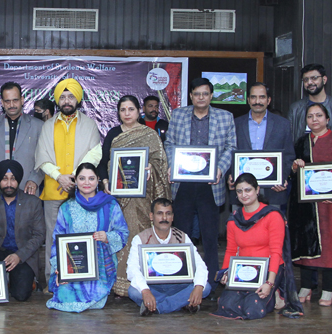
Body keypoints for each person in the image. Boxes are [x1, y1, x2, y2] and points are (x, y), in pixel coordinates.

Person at [164, 77, 236, 295]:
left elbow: (231, 147)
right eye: (197, 94)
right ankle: (182, 284)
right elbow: (169, 143)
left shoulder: (225, 117)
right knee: (182, 238)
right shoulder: (178, 115)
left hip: (210, 186)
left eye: (205, 94)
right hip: (183, 185)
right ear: (191, 96)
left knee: (210, 239)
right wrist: (173, 165)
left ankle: (212, 285)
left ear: (211, 95)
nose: (201, 97)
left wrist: (220, 169)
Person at [98, 95, 171, 297]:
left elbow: (161, 163)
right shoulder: (114, 134)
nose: (127, 113)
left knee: (139, 234)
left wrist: (151, 168)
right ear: (118, 113)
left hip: (142, 197)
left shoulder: (149, 134)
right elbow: (104, 162)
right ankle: (119, 284)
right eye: (123, 110)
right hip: (118, 198)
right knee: (120, 235)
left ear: (138, 111)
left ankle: (143, 283)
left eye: (131, 109)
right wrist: (105, 181)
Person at [35, 78, 102, 281]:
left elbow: (95, 153)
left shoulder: (89, 125)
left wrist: (73, 177)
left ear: (78, 99)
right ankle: (52, 279)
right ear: (57, 100)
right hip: (54, 190)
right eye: (62, 97)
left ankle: (81, 277)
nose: (66, 100)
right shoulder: (48, 125)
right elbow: (41, 156)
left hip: (82, 190)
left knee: (81, 234)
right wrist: (59, 177)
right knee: (53, 237)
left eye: (71, 96)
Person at [288, 103, 332, 306]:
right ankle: (307, 285)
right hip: (307, 205)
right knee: (307, 242)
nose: (314, 119)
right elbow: (293, 173)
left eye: (319, 115)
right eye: (310, 116)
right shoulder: (301, 142)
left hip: (331, 205)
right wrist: (294, 167)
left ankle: (328, 288)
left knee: (330, 246)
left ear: (327, 119)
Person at [213, 173, 303, 320]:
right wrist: (226, 272)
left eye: (248, 190)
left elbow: (276, 252)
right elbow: (230, 250)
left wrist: (269, 282)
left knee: (252, 310)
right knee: (225, 305)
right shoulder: (233, 219)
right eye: (239, 191)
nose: (244, 195)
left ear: (257, 190)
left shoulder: (272, 216)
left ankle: (275, 294)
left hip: (269, 269)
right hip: (243, 270)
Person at [46, 163, 128, 312]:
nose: (87, 183)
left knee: (94, 296)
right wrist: (60, 270)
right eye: (82, 178)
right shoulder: (66, 207)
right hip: (73, 265)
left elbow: (123, 233)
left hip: (100, 264)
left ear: (98, 180)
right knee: (64, 296)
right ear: (75, 181)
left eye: (91, 178)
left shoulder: (110, 205)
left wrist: (107, 236)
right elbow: (57, 240)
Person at [0, 160, 45, 302]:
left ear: (18, 180)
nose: (8, 184)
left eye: (13, 179)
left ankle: (21, 280)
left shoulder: (33, 202)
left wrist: (19, 256)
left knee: (20, 295)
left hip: (22, 252)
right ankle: (2, 280)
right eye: (4, 179)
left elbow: (39, 235)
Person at [127, 198, 207, 315]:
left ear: (172, 217)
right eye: (159, 214)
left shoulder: (182, 237)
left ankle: (157, 307)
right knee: (133, 292)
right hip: (153, 287)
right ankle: (182, 303)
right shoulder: (140, 239)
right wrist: (146, 291)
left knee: (205, 287)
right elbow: (132, 269)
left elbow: (200, 265)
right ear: (151, 216)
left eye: (168, 214)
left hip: (178, 286)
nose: (164, 218)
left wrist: (199, 287)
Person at [228, 83, 295, 210]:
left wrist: (282, 177)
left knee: (272, 227)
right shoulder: (235, 124)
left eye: (262, 97)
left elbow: (289, 156)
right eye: (253, 97)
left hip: (273, 189)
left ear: (268, 100)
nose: (257, 101)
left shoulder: (283, 124)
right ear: (248, 100)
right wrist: (230, 176)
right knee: (241, 228)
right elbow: (229, 152)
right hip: (242, 189)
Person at [0, 82, 44, 197]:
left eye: (15, 100)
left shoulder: (38, 126)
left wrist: (34, 180)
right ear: (2, 103)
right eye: (7, 101)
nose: (11, 104)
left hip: (27, 188)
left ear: (22, 100)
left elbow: (43, 158)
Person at [288, 64, 332, 145]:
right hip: (301, 156)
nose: (309, 82)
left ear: (324, 79)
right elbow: (289, 140)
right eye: (305, 80)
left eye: (314, 78)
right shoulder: (295, 108)